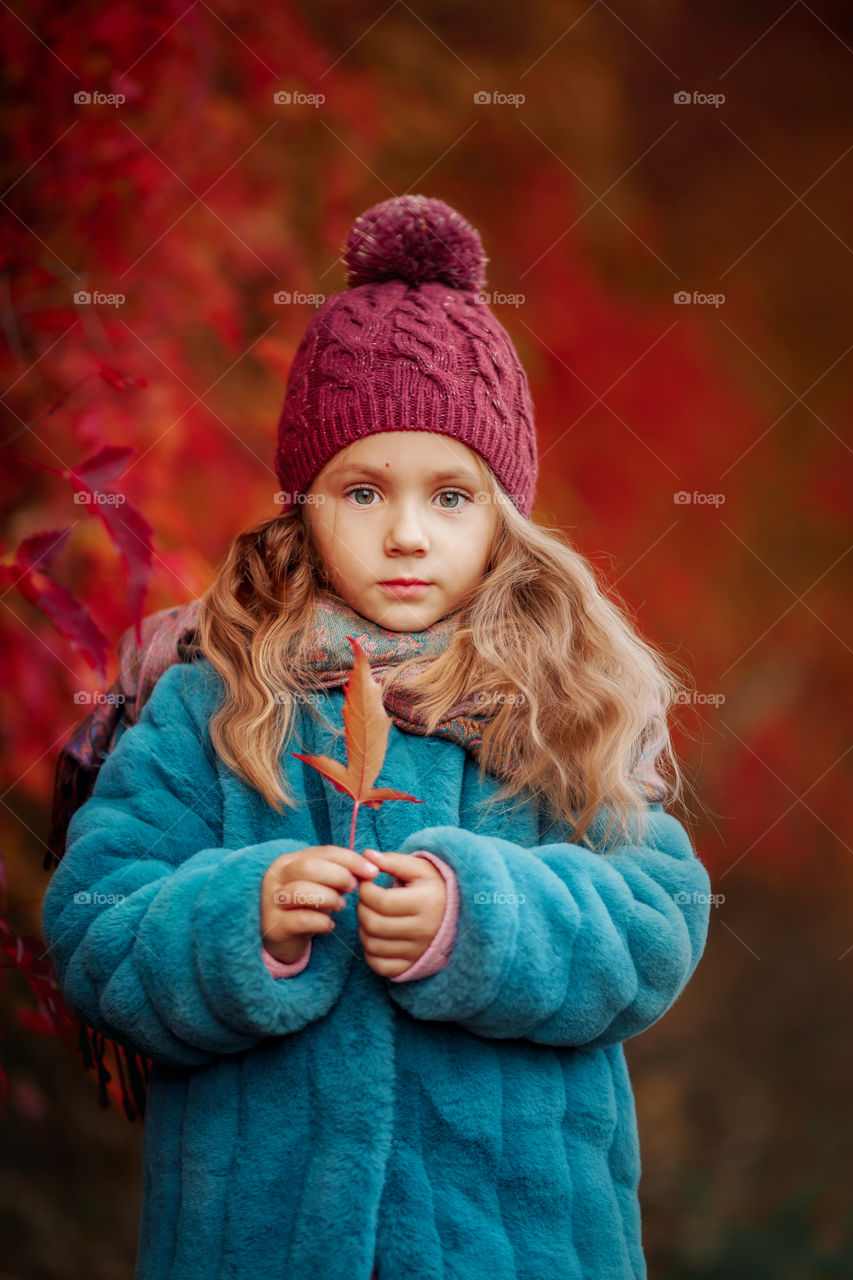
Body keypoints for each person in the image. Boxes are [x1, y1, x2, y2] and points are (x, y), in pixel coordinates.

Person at [41, 193, 712, 1280]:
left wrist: (477, 918)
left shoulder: (557, 701)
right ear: (303, 501)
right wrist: (238, 914)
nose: (406, 531)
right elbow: (92, 922)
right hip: (258, 1243)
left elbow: (653, 919)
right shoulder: (209, 698)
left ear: (503, 513)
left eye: (451, 494)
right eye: (362, 489)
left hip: (516, 1242)